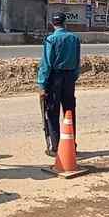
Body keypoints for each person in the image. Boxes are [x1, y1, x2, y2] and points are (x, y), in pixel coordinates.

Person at [37, 12, 82, 157]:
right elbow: (77, 62)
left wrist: (42, 85)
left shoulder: (51, 39)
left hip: (54, 78)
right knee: (69, 112)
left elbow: (46, 64)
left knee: (52, 112)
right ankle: (71, 144)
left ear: (52, 24)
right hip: (69, 78)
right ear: (65, 23)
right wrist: (73, 78)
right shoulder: (74, 39)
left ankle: (56, 147)